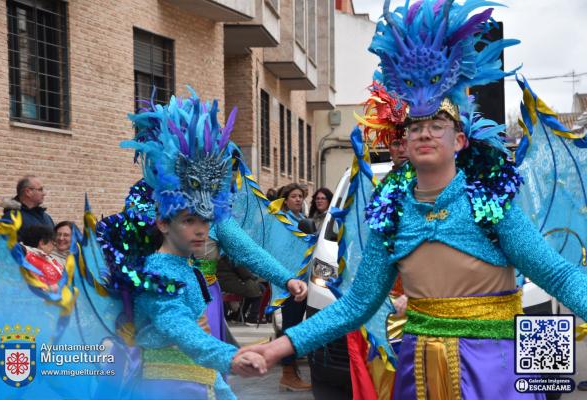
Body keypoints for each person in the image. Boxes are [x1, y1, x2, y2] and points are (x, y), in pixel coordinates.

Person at [239, 1, 587, 398]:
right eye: (416, 126)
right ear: (403, 141)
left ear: (459, 140)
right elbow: (355, 305)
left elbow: (558, 275)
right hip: (418, 372)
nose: (424, 133)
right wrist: (279, 347)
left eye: (437, 125)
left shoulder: (491, 205)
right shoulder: (391, 215)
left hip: (493, 371)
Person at [96, 90, 306, 399]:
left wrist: (285, 278)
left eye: (204, 221)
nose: (200, 230)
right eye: (189, 221)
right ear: (164, 223)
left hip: (198, 350)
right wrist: (230, 357)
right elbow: (176, 324)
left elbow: (247, 251)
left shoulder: (193, 244)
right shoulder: (157, 270)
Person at [274, 182, 311, 391]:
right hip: (290, 281)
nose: (298, 199)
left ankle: (291, 371)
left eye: (300, 196)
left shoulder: (302, 220)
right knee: (291, 326)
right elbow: (282, 249)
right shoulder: (283, 221)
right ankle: (287, 373)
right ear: (286, 200)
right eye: (294, 196)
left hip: (304, 280)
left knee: (297, 326)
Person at [2, 175, 54, 241]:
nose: (44, 193)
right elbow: (9, 247)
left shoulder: (47, 217)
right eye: (40, 189)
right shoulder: (11, 218)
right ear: (28, 192)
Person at [216, 255, 264, 324]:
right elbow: (244, 273)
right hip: (232, 284)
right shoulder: (233, 257)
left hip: (221, 284)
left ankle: (239, 315)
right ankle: (252, 317)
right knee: (258, 292)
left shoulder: (218, 257)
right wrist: (253, 277)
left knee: (253, 291)